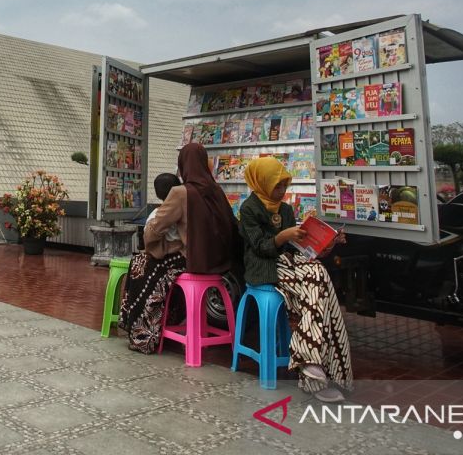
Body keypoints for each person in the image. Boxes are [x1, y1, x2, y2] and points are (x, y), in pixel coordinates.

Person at [238, 156, 353, 402]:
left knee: (319, 273)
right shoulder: (248, 209)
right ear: (262, 183)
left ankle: (312, 363)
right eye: (277, 186)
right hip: (264, 266)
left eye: (284, 186)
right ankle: (314, 365)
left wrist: (325, 243)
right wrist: (284, 235)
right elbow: (260, 247)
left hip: (289, 262)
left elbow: (297, 249)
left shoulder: (286, 209)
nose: (281, 191)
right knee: (317, 278)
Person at [119, 142, 242, 354]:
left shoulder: (181, 192)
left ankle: (143, 333)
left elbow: (154, 229)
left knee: (141, 263)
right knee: (157, 267)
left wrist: (160, 245)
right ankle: (170, 320)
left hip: (194, 261)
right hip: (221, 264)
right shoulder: (216, 191)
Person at [147, 173, 182, 243]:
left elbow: (148, 237)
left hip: (166, 252)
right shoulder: (187, 209)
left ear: (157, 194)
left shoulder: (155, 214)